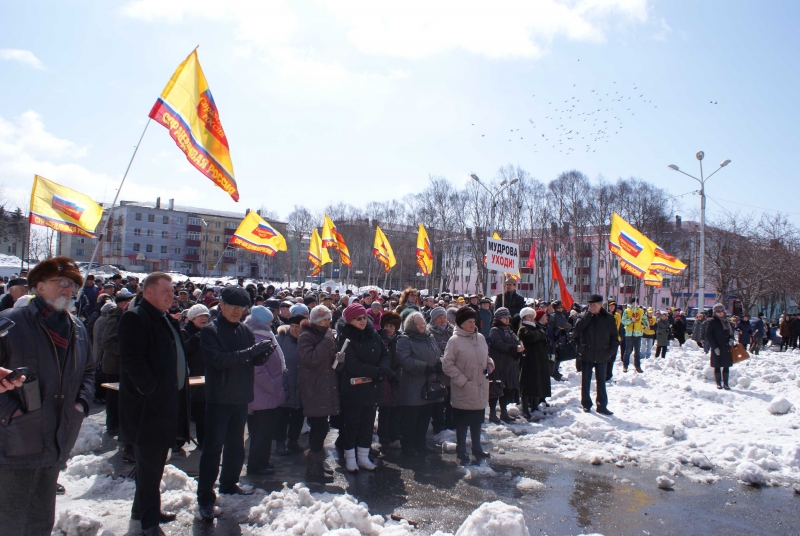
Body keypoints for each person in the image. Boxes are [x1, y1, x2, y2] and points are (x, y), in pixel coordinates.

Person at [0, 257, 94, 536]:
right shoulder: (9, 324)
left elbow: (89, 371)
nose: (69, 289)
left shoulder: (77, 328)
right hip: (14, 443)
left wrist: (81, 405)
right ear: (39, 287)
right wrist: (11, 414)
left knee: (41, 521)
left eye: (74, 285)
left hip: (57, 440)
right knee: (11, 522)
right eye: (62, 282)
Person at [117, 272, 191, 535]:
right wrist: (151, 390)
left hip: (165, 405)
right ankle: (149, 523)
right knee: (149, 466)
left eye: (172, 291)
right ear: (148, 292)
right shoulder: (136, 317)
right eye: (166, 291)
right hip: (147, 409)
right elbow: (132, 360)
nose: (171, 295)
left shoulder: (161, 318)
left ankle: (144, 510)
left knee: (156, 464)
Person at [196, 286, 276, 522]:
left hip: (240, 396)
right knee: (212, 449)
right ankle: (205, 497)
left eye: (241, 308)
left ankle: (229, 483)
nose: (237, 312)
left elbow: (250, 360)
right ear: (221, 305)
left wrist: (262, 353)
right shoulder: (210, 331)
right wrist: (251, 352)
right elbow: (219, 361)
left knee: (236, 445)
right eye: (233, 307)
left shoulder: (244, 330)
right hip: (219, 398)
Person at [337, 303, 391, 472]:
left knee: (368, 424)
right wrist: (376, 371)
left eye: (364, 318)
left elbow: (385, 354)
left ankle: (363, 455)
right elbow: (351, 365)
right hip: (355, 388)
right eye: (357, 318)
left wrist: (383, 368)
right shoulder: (345, 337)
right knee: (352, 424)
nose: (362, 321)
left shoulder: (373, 334)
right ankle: (350, 457)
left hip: (372, 388)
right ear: (349, 321)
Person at [442, 307, 493, 464]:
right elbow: (447, 364)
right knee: (463, 422)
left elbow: (486, 356)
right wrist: (463, 380)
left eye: (473, 321)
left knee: (477, 420)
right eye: (469, 322)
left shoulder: (480, 337)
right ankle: (461, 450)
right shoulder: (454, 341)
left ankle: (477, 448)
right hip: (464, 388)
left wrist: (490, 364)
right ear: (461, 324)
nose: (472, 324)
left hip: (480, 386)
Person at [297, 305, 340, 482]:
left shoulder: (325, 336)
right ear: (314, 321)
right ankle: (313, 468)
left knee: (321, 428)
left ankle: (318, 464)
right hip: (314, 389)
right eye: (323, 320)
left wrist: (338, 359)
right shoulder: (306, 336)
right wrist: (327, 341)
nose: (327, 323)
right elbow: (311, 359)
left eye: (329, 320)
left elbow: (327, 361)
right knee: (319, 428)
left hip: (326, 386)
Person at [244, 306, 285, 476]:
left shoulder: (261, 335)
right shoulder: (259, 337)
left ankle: (261, 462)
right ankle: (257, 465)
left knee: (262, 431)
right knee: (262, 432)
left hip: (263, 393)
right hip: (263, 393)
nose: (273, 321)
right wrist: (273, 384)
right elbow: (257, 369)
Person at [395, 312, 443, 457]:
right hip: (413, 384)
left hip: (429, 383)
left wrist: (439, 363)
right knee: (411, 418)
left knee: (425, 415)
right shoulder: (404, 339)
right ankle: (408, 445)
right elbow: (404, 360)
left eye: (423, 323)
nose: (422, 326)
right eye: (418, 324)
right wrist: (424, 368)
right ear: (411, 325)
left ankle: (421, 443)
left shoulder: (429, 337)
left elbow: (437, 353)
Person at [571, 295, 618, 415]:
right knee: (586, 380)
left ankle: (602, 405)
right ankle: (586, 404)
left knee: (601, 381)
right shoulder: (584, 315)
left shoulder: (608, 317)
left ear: (601, 304)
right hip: (587, 353)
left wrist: (611, 351)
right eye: (590, 304)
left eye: (594, 305)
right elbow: (578, 328)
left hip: (603, 354)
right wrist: (588, 316)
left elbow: (614, 336)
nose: (591, 307)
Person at [275, 314, 305, 456]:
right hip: (285, 382)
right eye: (292, 326)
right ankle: (280, 442)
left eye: (297, 327)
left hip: (301, 384)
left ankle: (293, 441)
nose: (294, 330)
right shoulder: (280, 338)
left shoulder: (307, 340)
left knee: (298, 415)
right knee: (282, 415)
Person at [181, 304, 210, 449]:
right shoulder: (185, 332)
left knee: (202, 414)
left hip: (205, 379)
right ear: (192, 318)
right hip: (189, 378)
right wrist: (195, 339)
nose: (204, 318)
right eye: (201, 316)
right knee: (184, 412)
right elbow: (182, 351)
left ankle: (203, 441)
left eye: (206, 316)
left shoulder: (209, 333)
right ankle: (178, 441)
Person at [487, 307, 523, 423]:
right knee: (495, 388)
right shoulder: (495, 330)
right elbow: (499, 344)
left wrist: (519, 347)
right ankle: (492, 413)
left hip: (509, 364)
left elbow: (515, 341)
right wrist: (514, 348)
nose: (507, 320)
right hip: (499, 364)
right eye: (504, 318)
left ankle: (504, 411)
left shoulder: (509, 330)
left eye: (508, 318)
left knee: (507, 389)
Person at [517, 308, 552, 420]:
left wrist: (543, 335)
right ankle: (525, 409)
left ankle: (534, 406)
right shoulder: (523, 328)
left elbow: (547, 339)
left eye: (532, 316)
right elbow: (530, 337)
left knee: (538, 382)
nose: (532, 318)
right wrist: (541, 333)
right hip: (529, 360)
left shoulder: (538, 328)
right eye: (529, 316)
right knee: (527, 384)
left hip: (540, 359)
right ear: (524, 318)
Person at [377, 311, 403, 448]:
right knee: (385, 409)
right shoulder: (379, 338)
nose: (389, 328)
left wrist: (398, 373)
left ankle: (395, 433)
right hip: (385, 378)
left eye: (392, 326)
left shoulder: (400, 339)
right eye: (387, 325)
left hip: (398, 378)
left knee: (396, 408)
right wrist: (390, 373)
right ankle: (383, 435)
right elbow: (379, 359)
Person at [427, 306, 454, 433]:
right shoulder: (429, 332)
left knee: (451, 399)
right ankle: (438, 424)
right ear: (434, 319)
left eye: (444, 317)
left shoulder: (452, 331)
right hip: (438, 371)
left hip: (452, 370)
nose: (443, 320)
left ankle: (450, 423)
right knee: (439, 399)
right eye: (439, 318)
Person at [707, 303, 735, 390]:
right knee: (717, 365)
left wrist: (731, 339)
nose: (720, 313)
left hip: (726, 347)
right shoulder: (712, 322)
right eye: (718, 311)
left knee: (726, 365)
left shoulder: (727, 321)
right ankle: (718, 383)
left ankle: (726, 383)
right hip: (717, 347)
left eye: (722, 311)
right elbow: (708, 335)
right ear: (715, 312)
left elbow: (731, 333)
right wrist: (714, 347)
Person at [620, 300, 644, 373]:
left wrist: (646, 325)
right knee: (628, 351)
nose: (635, 304)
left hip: (638, 333)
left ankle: (637, 366)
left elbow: (644, 319)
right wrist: (630, 320)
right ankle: (625, 365)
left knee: (637, 352)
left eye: (636, 303)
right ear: (631, 304)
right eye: (633, 303)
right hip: (629, 334)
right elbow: (623, 321)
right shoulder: (627, 311)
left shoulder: (641, 311)